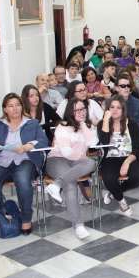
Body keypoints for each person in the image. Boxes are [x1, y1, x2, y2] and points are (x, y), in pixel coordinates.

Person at [0, 93, 50, 235]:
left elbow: (43, 141)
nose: (15, 108)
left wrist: (27, 146)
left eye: (18, 105)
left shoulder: (31, 123)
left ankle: (26, 219)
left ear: (22, 106)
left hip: (24, 160)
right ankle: (1, 218)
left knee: (22, 180)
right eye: (11, 106)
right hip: (0, 162)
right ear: (5, 109)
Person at [45, 98, 98, 239]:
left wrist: (83, 124)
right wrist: (81, 157)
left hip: (75, 162)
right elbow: (66, 153)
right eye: (77, 110)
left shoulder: (87, 126)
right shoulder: (62, 127)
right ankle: (78, 225)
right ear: (70, 111)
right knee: (71, 183)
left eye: (83, 109)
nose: (81, 112)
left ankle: (56, 185)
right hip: (57, 160)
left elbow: (93, 142)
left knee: (91, 163)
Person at [98, 96, 139, 217]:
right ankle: (121, 201)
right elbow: (104, 142)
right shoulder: (102, 124)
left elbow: (137, 147)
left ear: (123, 110)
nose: (115, 110)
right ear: (107, 109)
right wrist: (105, 121)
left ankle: (114, 192)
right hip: (110, 158)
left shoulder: (132, 124)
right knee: (108, 177)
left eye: (118, 107)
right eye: (112, 107)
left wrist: (127, 162)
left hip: (130, 157)